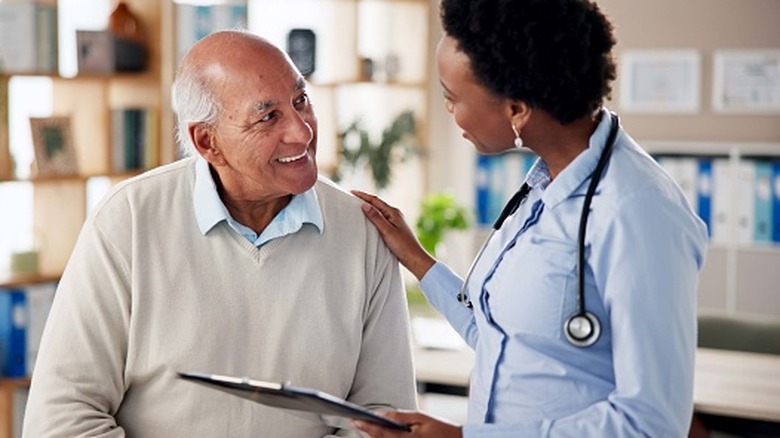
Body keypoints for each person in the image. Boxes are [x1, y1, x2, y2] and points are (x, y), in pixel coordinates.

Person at [23, 30, 417, 437]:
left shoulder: (363, 230)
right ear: (207, 141)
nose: (302, 131)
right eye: (268, 116)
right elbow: (61, 420)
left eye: (300, 101)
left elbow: (386, 418)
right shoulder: (127, 221)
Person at [352, 0, 709, 436]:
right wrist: (417, 260)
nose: (449, 111)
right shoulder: (546, 184)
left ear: (517, 109)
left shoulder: (636, 210)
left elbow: (652, 422)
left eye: (452, 98)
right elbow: (505, 341)